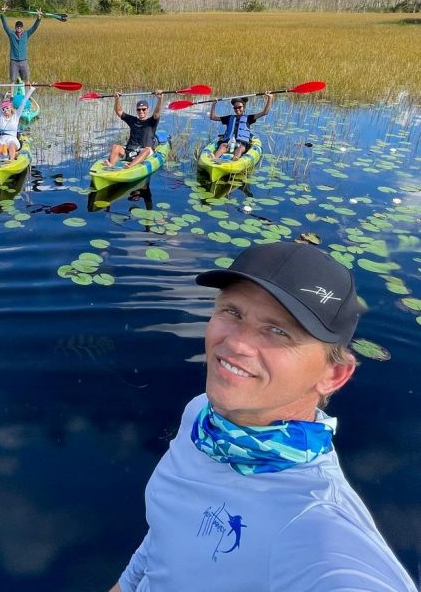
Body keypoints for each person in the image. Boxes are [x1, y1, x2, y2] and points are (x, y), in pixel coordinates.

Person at [108, 241, 417, 592]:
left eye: (279, 331)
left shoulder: (316, 526)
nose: (237, 344)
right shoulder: (201, 415)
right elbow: (163, 538)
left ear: (333, 375)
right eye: (233, 312)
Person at [103, 92, 164, 168]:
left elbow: (157, 113)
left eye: (143, 109)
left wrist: (160, 99)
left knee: (147, 150)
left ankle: (130, 166)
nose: (141, 111)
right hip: (130, 151)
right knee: (115, 147)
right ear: (137, 110)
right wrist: (117, 99)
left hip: (144, 152)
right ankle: (111, 165)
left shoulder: (152, 121)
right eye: (139, 109)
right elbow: (119, 112)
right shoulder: (132, 120)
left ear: (148, 109)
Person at [210, 93, 273, 161]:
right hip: (229, 142)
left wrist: (270, 98)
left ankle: (235, 160)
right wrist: (213, 104)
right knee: (222, 146)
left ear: (244, 107)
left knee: (240, 148)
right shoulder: (229, 118)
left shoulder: (249, 118)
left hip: (241, 143)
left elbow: (265, 112)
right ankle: (213, 160)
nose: (237, 109)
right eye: (235, 108)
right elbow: (212, 117)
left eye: (240, 107)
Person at [0, 83, 35, 160]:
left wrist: (31, 89)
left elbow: (23, 102)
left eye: (7, 108)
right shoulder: (0, 116)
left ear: (10, 108)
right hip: (2, 138)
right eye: (3, 109)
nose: (5, 110)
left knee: (11, 146)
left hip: (12, 138)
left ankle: (11, 161)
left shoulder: (16, 116)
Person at [0, 4, 41, 83]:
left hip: (23, 61)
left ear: (22, 28)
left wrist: (38, 18)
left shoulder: (26, 34)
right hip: (14, 61)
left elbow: (34, 27)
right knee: (12, 80)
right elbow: (5, 25)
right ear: (15, 27)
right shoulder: (11, 34)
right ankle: (12, 95)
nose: (19, 28)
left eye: (20, 27)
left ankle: (27, 95)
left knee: (26, 80)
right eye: (17, 27)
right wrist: (2, 14)